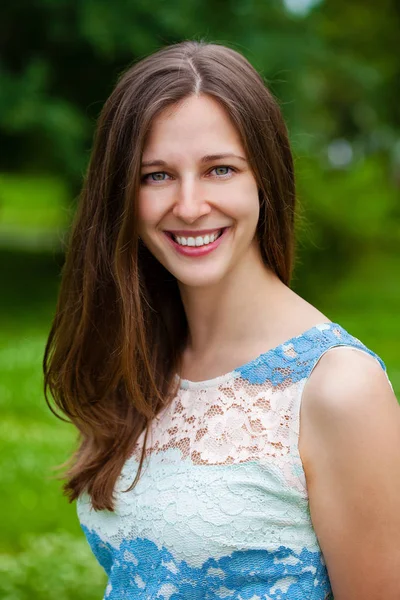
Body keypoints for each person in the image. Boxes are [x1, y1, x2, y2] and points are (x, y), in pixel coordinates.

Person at [43, 40, 400, 599]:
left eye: (220, 169)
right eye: (155, 176)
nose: (188, 205)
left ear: (266, 178)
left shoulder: (337, 391)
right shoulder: (141, 356)